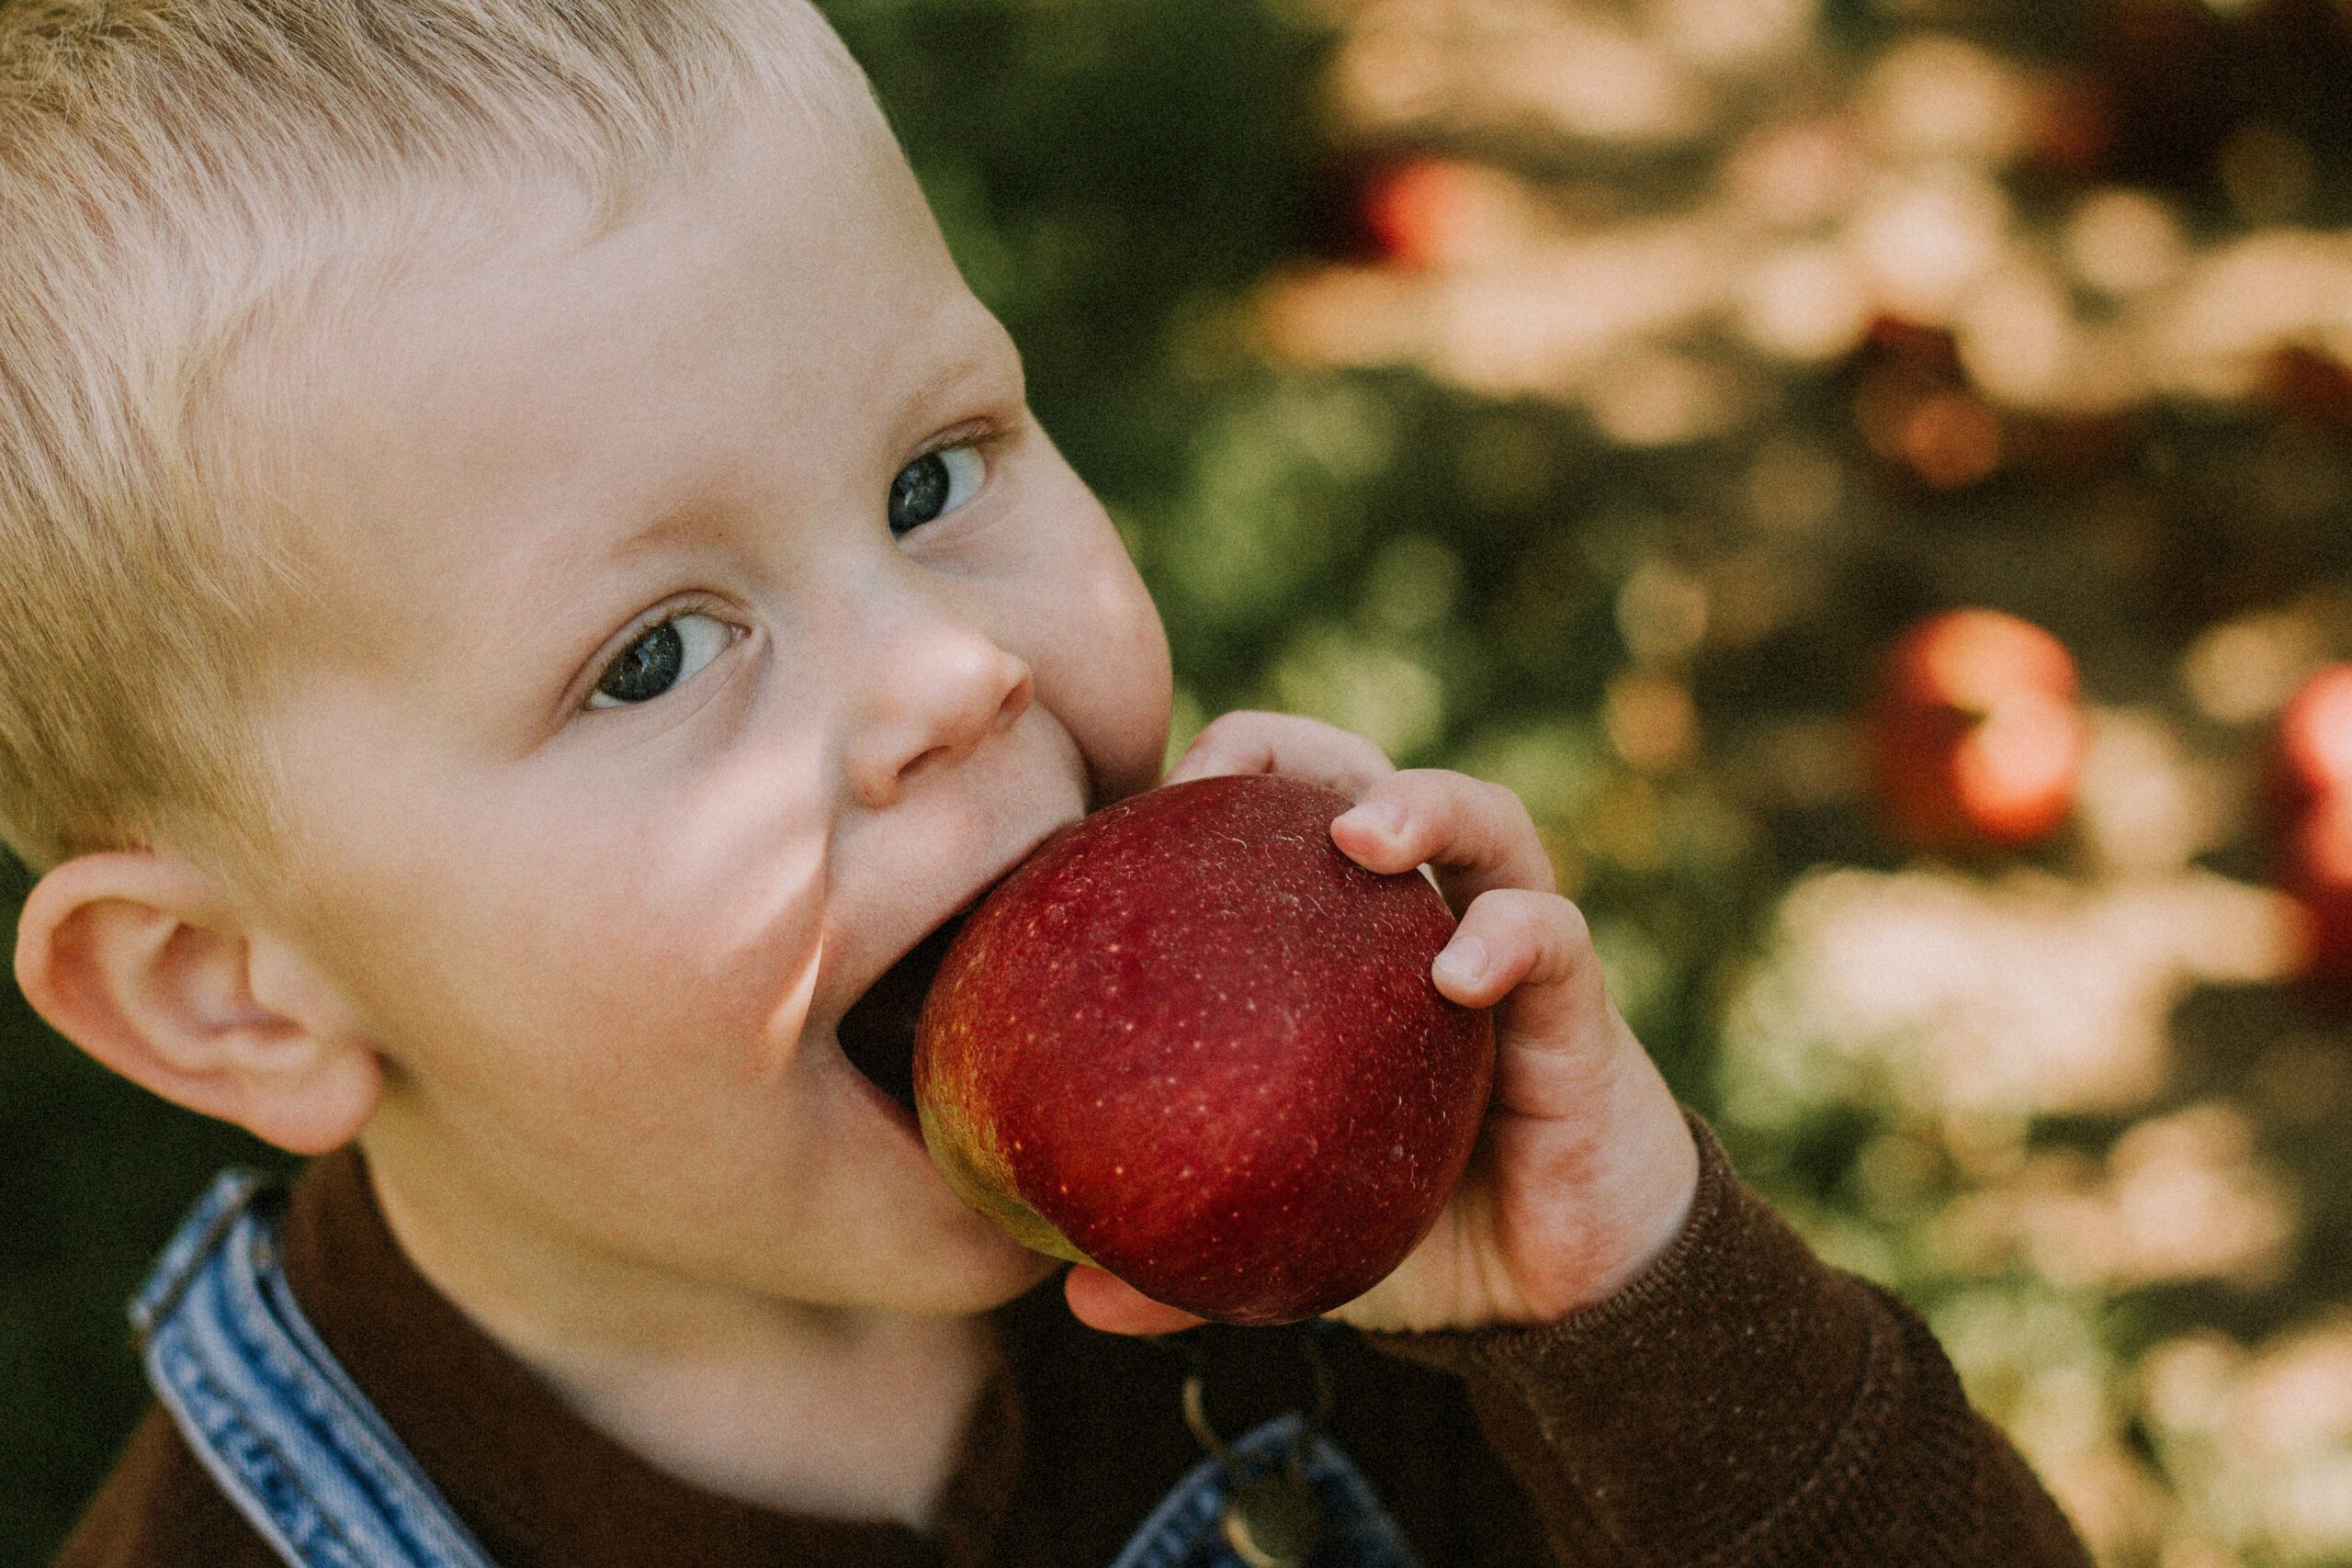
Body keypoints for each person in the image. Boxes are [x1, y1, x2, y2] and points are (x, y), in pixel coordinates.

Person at [0, 3, 2090, 1564]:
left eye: (932, 476)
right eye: (648, 653)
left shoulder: (1365, 1283)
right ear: (228, 988)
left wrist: (1638, 1305)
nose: (946, 664)